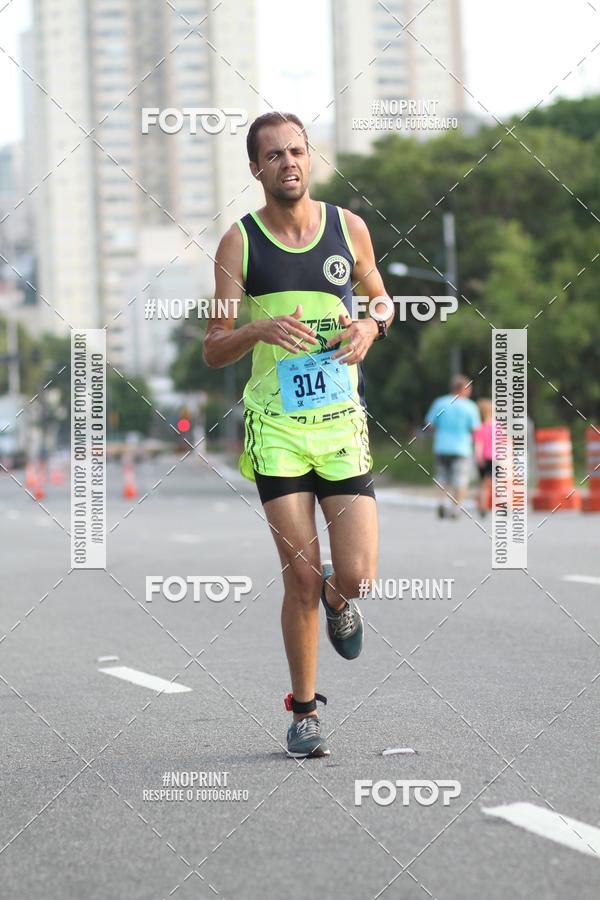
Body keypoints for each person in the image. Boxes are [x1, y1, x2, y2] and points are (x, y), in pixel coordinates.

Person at [203, 112, 393, 758]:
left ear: (309, 158)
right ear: (255, 169)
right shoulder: (241, 244)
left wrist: (371, 327)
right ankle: (304, 711)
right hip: (278, 429)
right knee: (302, 577)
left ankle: (345, 599)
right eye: (274, 155)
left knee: (357, 574)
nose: (289, 162)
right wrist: (257, 330)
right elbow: (213, 347)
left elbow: (382, 299)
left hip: (341, 429)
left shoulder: (349, 229)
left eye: (298, 151)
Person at [425, 374, 480, 519]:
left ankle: (441, 502)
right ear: (464, 389)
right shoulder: (470, 407)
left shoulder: (440, 402)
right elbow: (475, 429)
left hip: (442, 446)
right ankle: (455, 509)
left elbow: (430, 424)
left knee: (441, 477)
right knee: (461, 479)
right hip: (461, 448)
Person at [474, 398, 493, 517]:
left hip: (483, 458)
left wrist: (478, 457)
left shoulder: (478, 428)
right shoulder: (496, 426)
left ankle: (482, 505)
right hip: (493, 458)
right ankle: (504, 502)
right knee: (491, 483)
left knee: (483, 483)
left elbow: (478, 444)